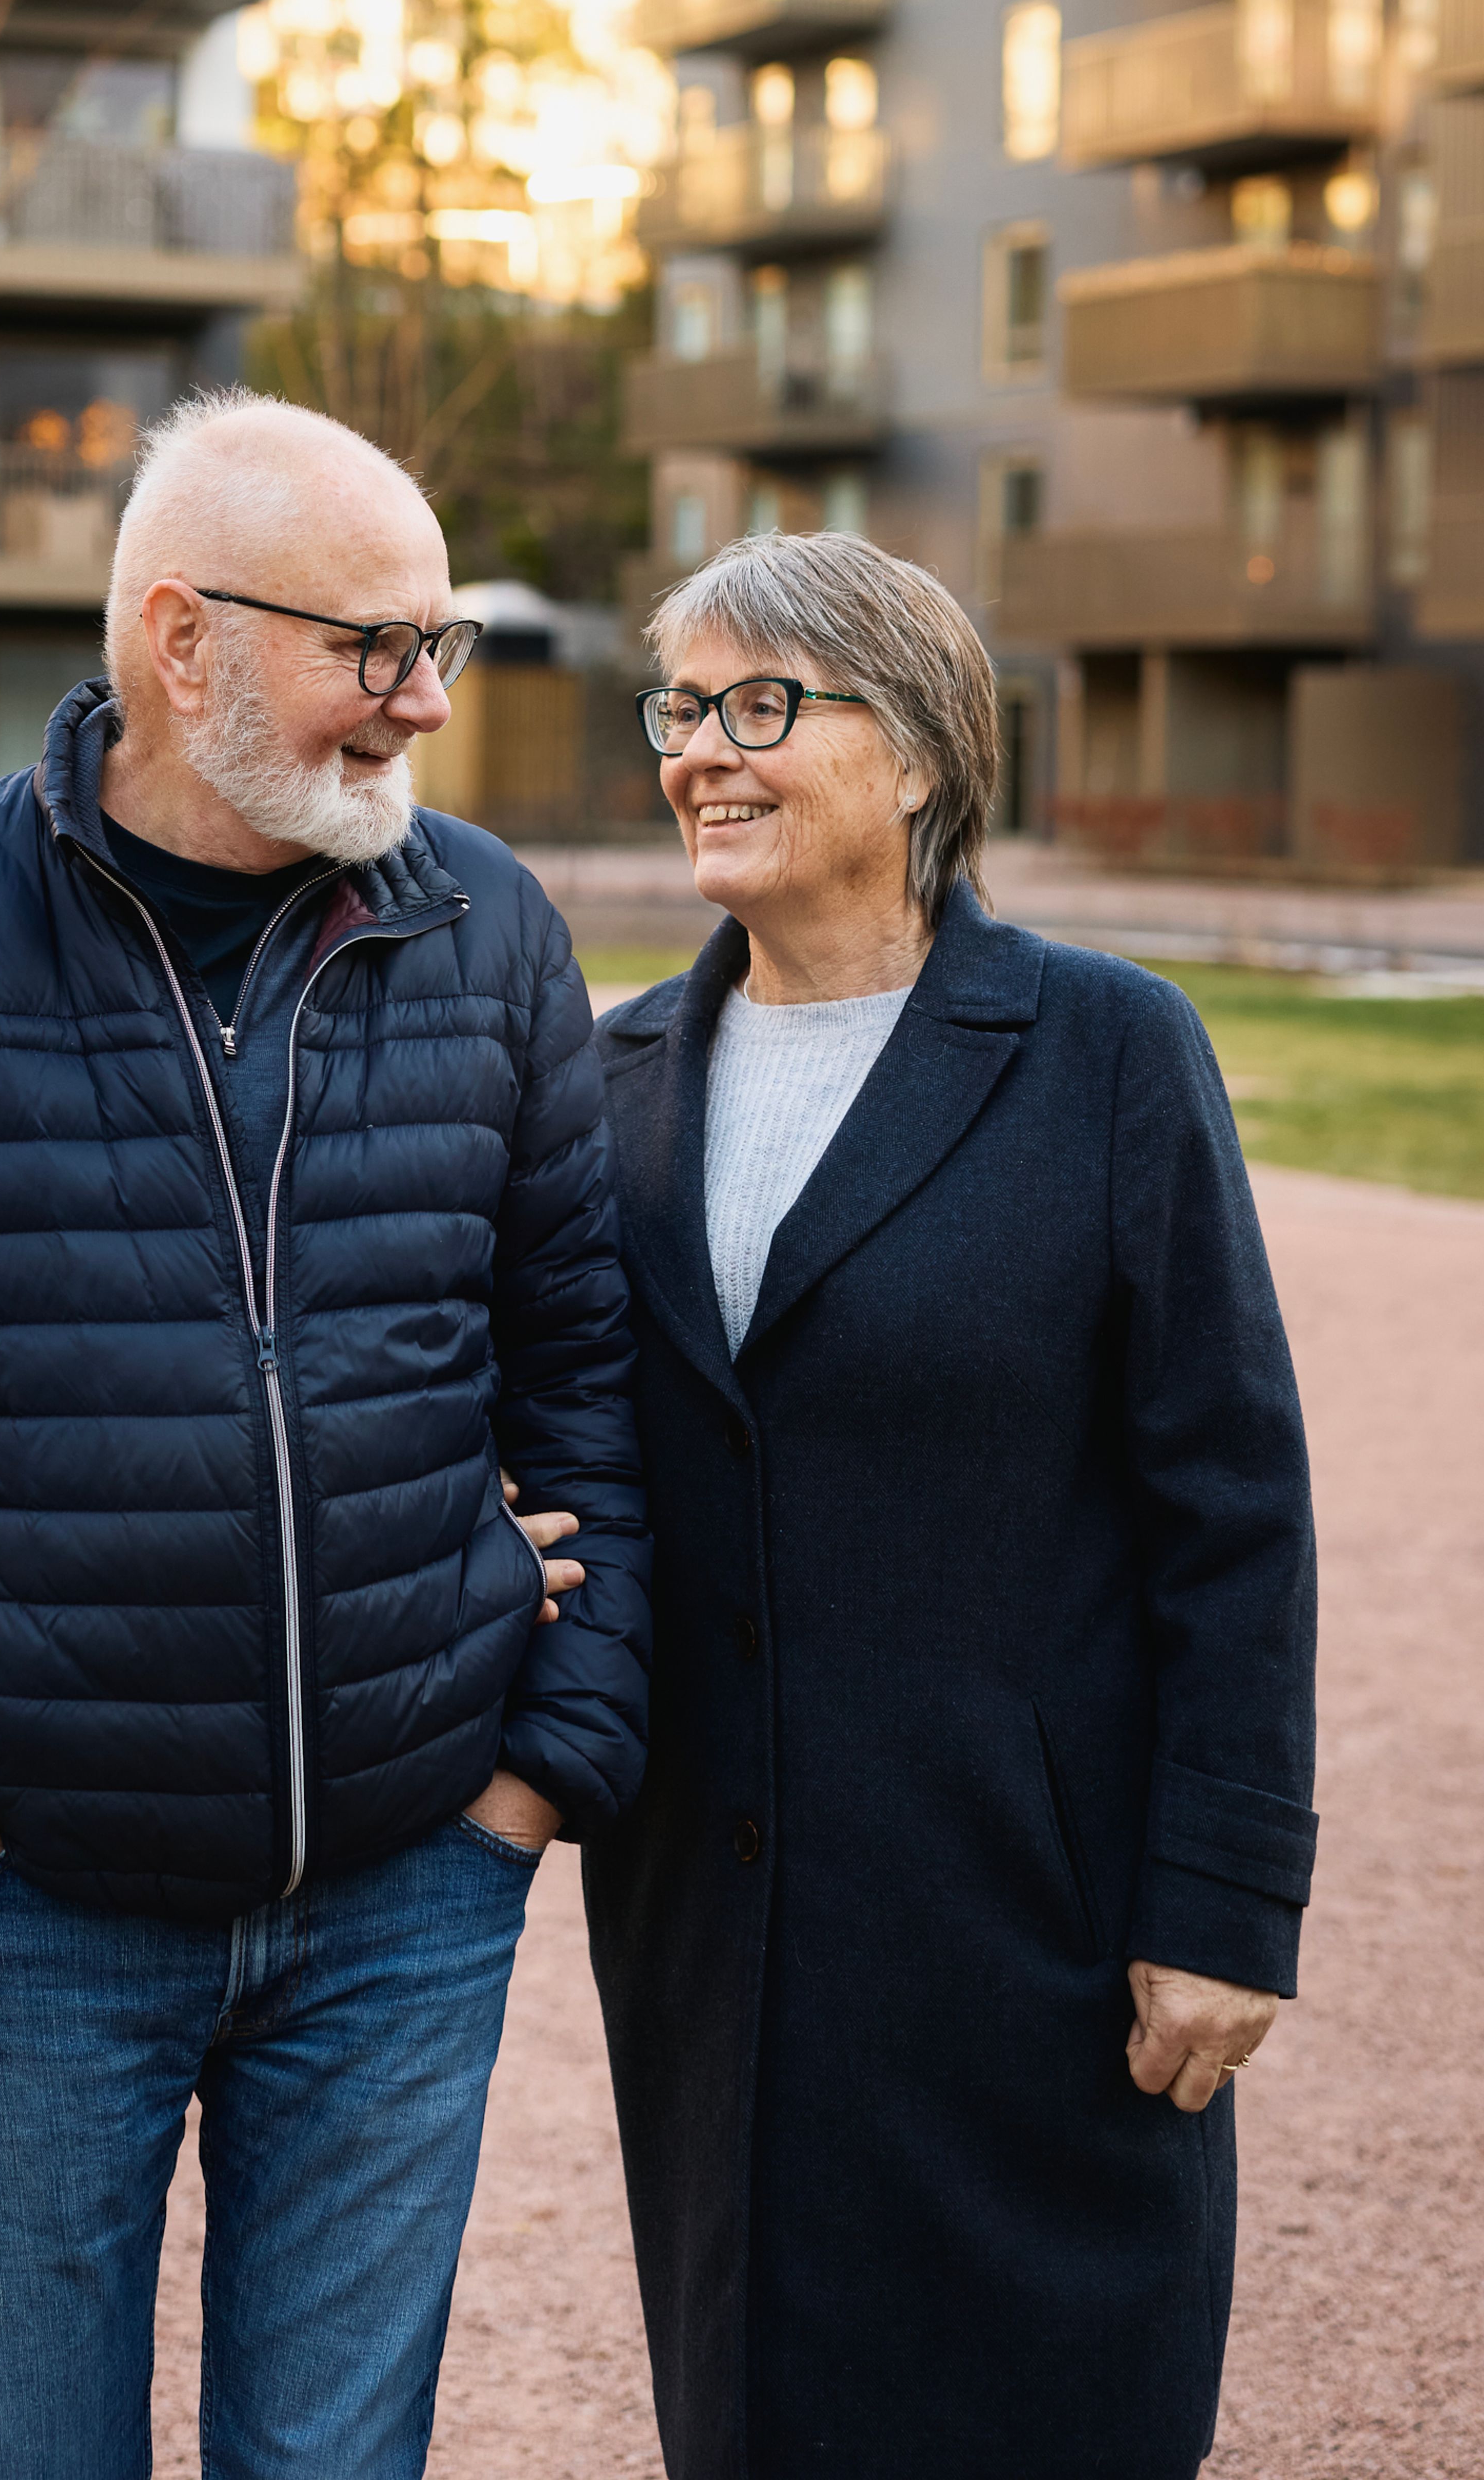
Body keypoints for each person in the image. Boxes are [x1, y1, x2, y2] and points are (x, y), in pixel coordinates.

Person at [0, 388, 650, 2480]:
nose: (423, 704)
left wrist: (537, 1773)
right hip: (27, 1904)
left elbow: (583, 1361)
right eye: (371, 647)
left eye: (438, 643)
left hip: (408, 1893)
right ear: (180, 637)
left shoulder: (489, 927)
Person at [585, 530, 1317, 2480]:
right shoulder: (612, 1079)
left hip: (1027, 1920)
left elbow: (1233, 1502)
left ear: (916, 754)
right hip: (712, 1928)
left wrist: (1227, 1901)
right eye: (681, 709)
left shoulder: (1108, 1052)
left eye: (762, 706)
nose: (701, 753)